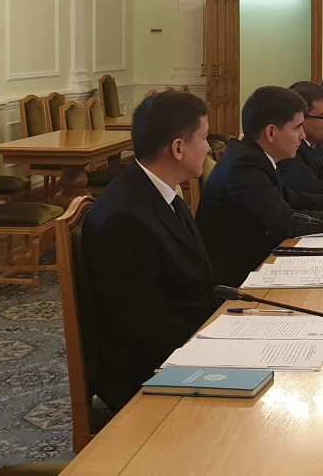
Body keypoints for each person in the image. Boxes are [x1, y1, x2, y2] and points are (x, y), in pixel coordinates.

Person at [81, 90, 221, 411]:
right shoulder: (123, 218)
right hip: (148, 372)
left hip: (183, 344)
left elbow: (194, 282)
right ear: (178, 148)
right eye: (204, 137)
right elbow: (145, 328)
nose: (209, 148)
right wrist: (219, 345)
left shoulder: (164, 193)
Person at [196, 86, 323, 288]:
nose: (302, 135)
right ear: (271, 132)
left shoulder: (255, 155)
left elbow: (295, 199)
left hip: (260, 263)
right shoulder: (244, 166)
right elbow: (287, 221)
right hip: (237, 281)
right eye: (296, 128)